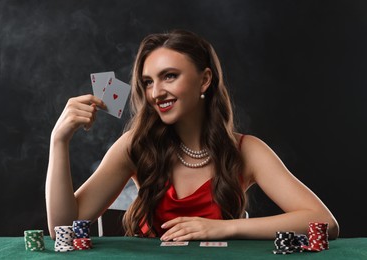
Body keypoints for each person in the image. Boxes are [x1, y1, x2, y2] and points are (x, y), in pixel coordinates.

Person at [45, 29, 339, 241]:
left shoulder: (246, 150)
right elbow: (65, 229)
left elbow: (324, 221)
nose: (156, 92)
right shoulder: (136, 146)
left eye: (169, 76)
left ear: (205, 80)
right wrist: (59, 141)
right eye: (148, 82)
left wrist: (225, 228)